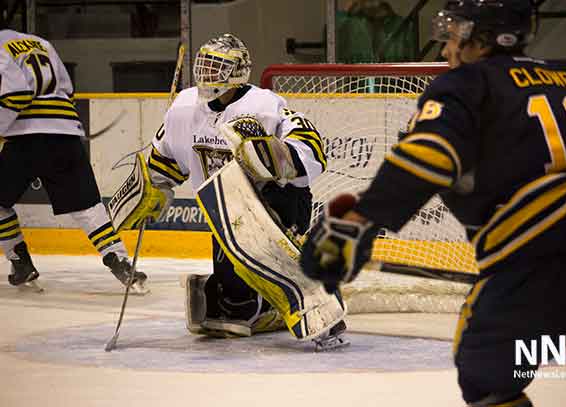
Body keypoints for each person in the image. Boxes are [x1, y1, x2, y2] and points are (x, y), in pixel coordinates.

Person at [301, 0, 566, 404]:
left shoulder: (469, 83)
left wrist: (359, 222)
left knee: (486, 372)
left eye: (456, 33)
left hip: (538, 252)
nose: (447, 47)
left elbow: (429, 157)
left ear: (486, 38)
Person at [141, 33, 346, 346]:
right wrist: (153, 187)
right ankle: (256, 306)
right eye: (205, 65)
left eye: (217, 67)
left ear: (237, 73)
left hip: (279, 201)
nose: (207, 74)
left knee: (264, 262)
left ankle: (308, 295)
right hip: (224, 212)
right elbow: (164, 161)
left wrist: (274, 156)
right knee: (235, 303)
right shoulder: (183, 108)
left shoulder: (264, 106)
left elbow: (312, 149)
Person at [0, 3, 147, 293]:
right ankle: (121, 263)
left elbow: (16, 93)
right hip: (66, 132)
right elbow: (67, 90)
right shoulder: (40, 43)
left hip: (27, 137)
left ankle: (21, 263)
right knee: (88, 207)